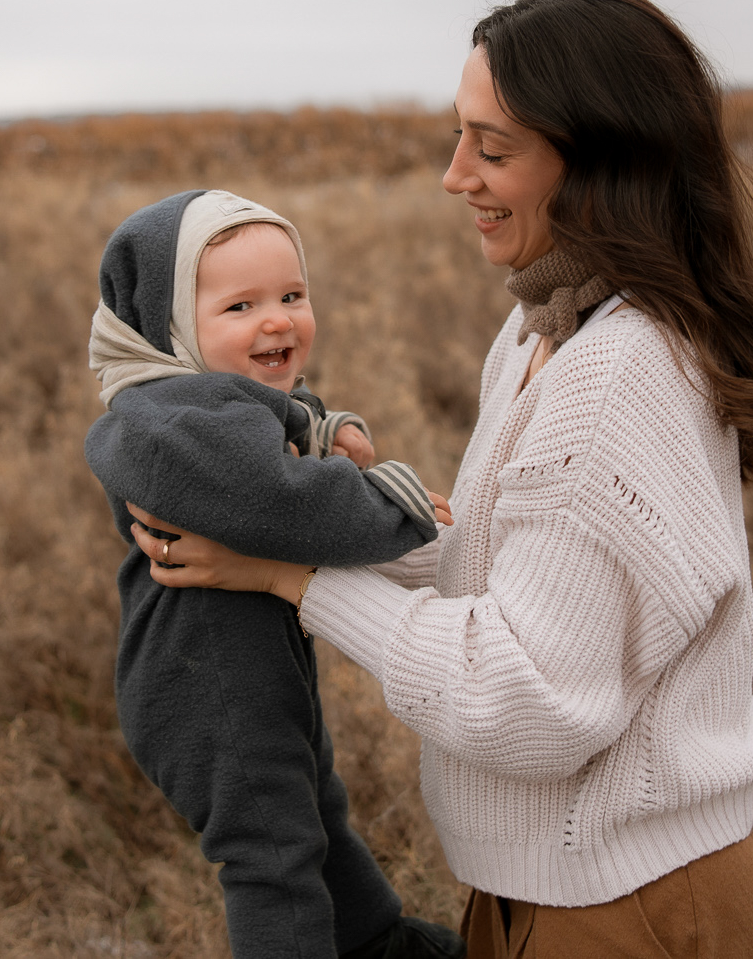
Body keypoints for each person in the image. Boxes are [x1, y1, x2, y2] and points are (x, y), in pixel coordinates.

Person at [127, 0, 753, 958]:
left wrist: (295, 578)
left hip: (628, 907)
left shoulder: (614, 376)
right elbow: (506, 585)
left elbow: (524, 700)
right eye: (459, 138)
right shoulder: (541, 327)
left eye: (492, 148)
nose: (454, 175)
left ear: (600, 159)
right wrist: (344, 516)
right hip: (551, 889)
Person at [83, 188, 465, 959]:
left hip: (244, 663)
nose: (279, 319)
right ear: (170, 328)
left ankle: (377, 943)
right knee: (272, 855)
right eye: (241, 305)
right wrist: (390, 501)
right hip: (209, 681)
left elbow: (271, 419)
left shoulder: (186, 403)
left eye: (293, 294)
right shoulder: (173, 428)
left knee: (314, 817)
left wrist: (327, 427)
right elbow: (282, 499)